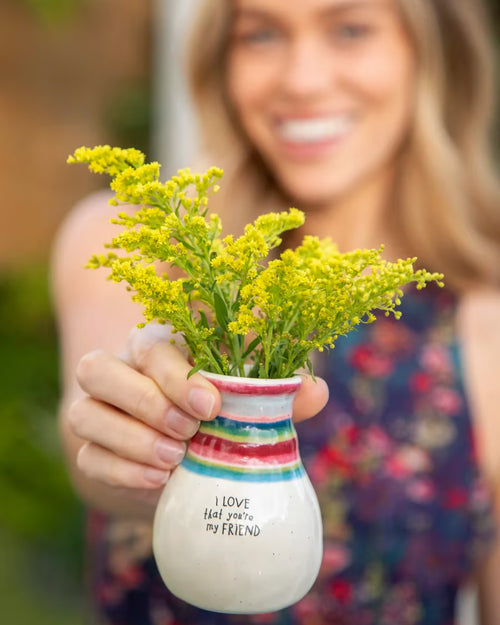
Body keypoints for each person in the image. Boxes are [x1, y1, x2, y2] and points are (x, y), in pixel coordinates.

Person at [51, 0, 500, 623]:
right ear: (222, 60)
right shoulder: (140, 244)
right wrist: (137, 433)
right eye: (261, 34)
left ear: (432, 51)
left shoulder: (485, 316)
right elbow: (92, 442)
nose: (302, 79)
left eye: (350, 28)